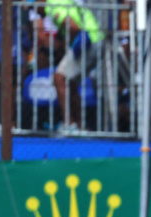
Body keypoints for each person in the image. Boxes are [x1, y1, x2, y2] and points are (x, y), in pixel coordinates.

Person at [45, 0, 103, 133]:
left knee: (59, 78)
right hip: (96, 38)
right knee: (69, 83)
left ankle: (69, 124)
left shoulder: (52, 4)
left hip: (88, 41)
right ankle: (80, 125)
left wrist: (70, 45)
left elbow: (73, 26)